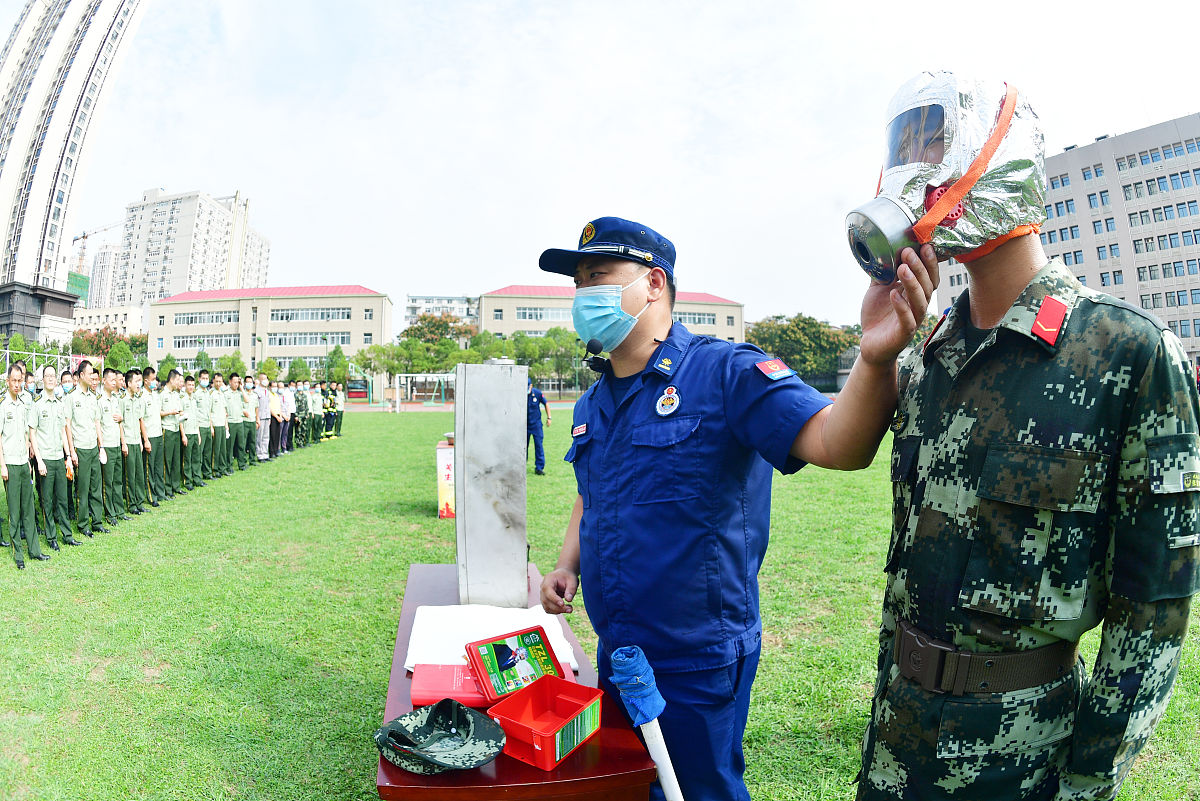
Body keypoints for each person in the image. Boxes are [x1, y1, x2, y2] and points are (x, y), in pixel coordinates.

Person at [849, 72, 1200, 801]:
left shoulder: (1126, 353)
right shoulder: (928, 351)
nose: (917, 174)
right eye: (905, 151)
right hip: (897, 748)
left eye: (936, 146)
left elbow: (1154, 611)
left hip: (1021, 762)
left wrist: (1087, 781)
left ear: (997, 158)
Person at [536, 215, 936, 801]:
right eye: (578, 283)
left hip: (697, 656)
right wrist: (567, 563)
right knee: (632, 785)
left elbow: (838, 445)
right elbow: (590, 493)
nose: (584, 294)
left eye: (598, 276)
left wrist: (873, 360)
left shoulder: (725, 372)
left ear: (653, 283)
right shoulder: (595, 399)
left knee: (700, 790)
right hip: (619, 646)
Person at [2, 363, 47, 569]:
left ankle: (34, 550)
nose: (18, 384)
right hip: (10, 463)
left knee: (29, 507)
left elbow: (26, 435)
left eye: (20, 381)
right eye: (14, 381)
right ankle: (18, 554)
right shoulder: (3, 406)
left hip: (23, 463)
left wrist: (29, 461)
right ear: (7, 382)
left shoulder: (23, 404)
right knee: (15, 511)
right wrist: (2, 466)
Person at [33, 366, 79, 548]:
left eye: (53, 376)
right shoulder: (37, 404)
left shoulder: (60, 404)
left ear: (56, 380)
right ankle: (52, 538)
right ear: (42, 380)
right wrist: (39, 460)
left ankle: (67, 535)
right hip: (45, 459)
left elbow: (62, 432)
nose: (50, 379)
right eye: (47, 376)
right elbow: (32, 434)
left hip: (59, 458)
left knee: (63, 499)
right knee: (48, 501)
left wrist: (68, 456)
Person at [68, 360, 108, 536]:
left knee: (96, 486)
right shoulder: (71, 397)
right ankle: (83, 524)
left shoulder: (94, 398)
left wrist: (102, 446)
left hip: (93, 447)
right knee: (82, 489)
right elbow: (67, 425)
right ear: (81, 375)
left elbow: (97, 422)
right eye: (90, 373)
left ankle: (97, 521)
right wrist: (71, 452)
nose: (93, 376)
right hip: (81, 448)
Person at [98, 367, 130, 525]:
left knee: (118, 480)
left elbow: (119, 423)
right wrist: (101, 447)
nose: (113, 382)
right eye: (111, 380)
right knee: (108, 482)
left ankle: (119, 511)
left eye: (114, 380)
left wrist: (123, 442)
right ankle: (109, 514)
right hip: (107, 446)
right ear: (104, 381)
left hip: (117, 444)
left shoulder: (116, 399)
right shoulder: (99, 400)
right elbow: (97, 425)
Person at [120, 370, 148, 515]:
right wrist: (123, 443)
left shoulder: (138, 399)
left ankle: (139, 501)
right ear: (129, 383)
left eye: (139, 381)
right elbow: (120, 424)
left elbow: (139, 420)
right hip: (128, 441)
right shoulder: (122, 400)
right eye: (136, 381)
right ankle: (131, 504)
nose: (139, 384)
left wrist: (142, 441)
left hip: (137, 441)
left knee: (139, 473)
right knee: (129, 475)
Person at [141, 367, 167, 506]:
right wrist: (145, 440)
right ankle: (151, 496)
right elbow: (142, 420)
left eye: (155, 379)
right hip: (149, 435)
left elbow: (159, 413)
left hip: (158, 433)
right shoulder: (142, 396)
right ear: (146, 381)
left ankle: (160, 492)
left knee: (158, 466)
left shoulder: (155, 395)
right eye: (152, 380)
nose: (155, 382)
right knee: (149, 467)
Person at [159, 369, 185, 497]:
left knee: (176, 460)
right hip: (167, 429)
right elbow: (158, 413)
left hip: (175, 429)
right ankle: (167, 488)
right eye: (178, 380)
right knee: (167, 461)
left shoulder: (176, 395)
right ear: (172, 379)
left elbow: (179, 411)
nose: (179, 383)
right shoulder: (162, 394)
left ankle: (176, 486)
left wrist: (182, 414)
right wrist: (170, 412)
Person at [526, 377, 550, 475]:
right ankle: (521, 466)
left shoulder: (537, 393)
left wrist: (549, 417)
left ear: (531, 386)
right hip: (524, 426)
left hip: (536, 425)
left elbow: (546, 403)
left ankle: (539, 468)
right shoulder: (518, 394)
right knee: (523, 447)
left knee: (539, 446)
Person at [180, 375, 201, 490]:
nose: (191, 387)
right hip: (187, 433)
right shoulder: (182, 399)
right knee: (187, 459)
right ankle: (187, 481)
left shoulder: (194, 399)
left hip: (194, 431)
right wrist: (183, 435)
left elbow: (196, 418)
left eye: (193, 385)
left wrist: (198, 434)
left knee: (196, 457)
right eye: (189, 385)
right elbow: (180, 419)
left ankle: (197, 479)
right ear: (185, 385)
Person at [195, 369, 214, 482]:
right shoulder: (196, 393)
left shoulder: (208, 393)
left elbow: (209, 411)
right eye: (203, 378)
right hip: (200, 425)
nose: (205, 381)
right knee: (199, 453)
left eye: (207, 379)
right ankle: (198, 476)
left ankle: (207, 473)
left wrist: (211, 426)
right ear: (199, 379)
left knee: (208, 452)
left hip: (207, 425)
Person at [210, 372, 230, 477]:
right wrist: (211, 427)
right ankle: (215, 469)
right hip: (215, 424)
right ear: (213, 381)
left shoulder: (222, 394)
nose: (218, 383)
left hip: (222, 424)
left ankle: (223, 468)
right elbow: (209, 411)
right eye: (216, 381)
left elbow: (224, 410)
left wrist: (226, 425)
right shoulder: (211, 394)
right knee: (216, 449)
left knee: (223, 448)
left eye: (220, 381)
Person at [255, 373, 271, 461]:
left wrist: (269, 417)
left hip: (266, 416)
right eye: (264, 379)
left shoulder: (267, 391)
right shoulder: (256, 391)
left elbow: (268, 405)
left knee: (266, 436)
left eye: (266, 379)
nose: (265, 381)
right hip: (260, 417)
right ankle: (259, 455)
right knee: (259, 437)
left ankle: (265, 454)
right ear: (260, 380)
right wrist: (257, 418)